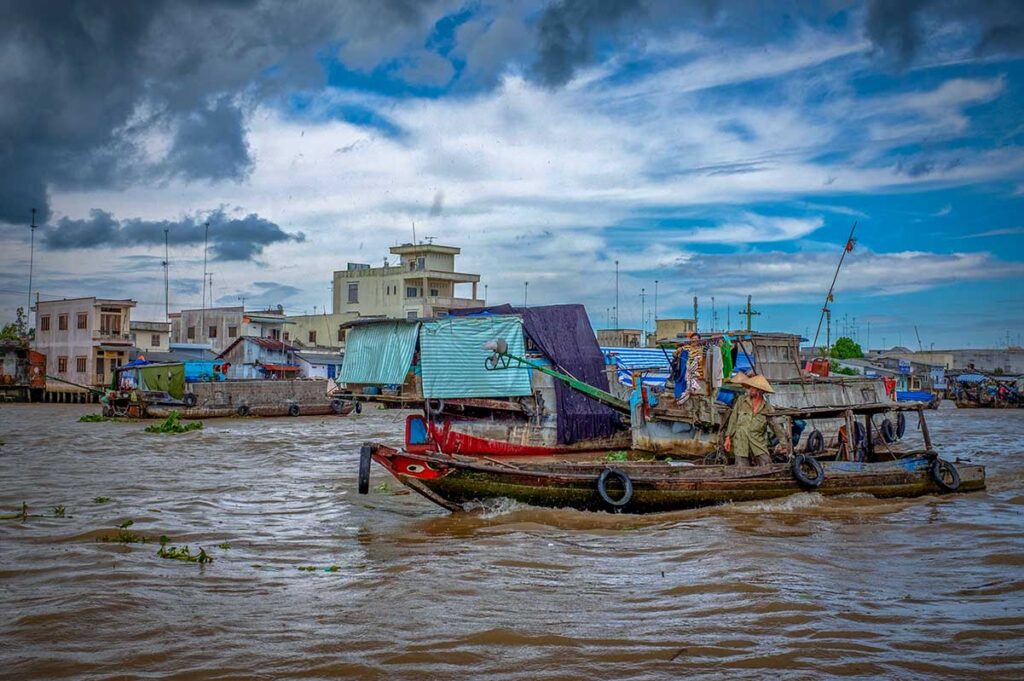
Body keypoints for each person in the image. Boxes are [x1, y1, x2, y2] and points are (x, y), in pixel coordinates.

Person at [723, 374, 787, 466]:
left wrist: (784, 445)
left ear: (760, 391)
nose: (750, 389)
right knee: (742, 471)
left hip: (758, 443)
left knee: (767, 466)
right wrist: (728, 438)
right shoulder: (741, 401)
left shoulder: (767, 408)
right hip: (741, 442)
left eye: (753, 388)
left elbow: (776, 427)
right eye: (750, 387)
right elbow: (733, 420)